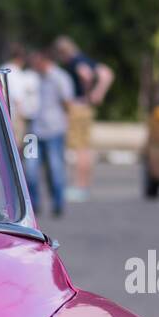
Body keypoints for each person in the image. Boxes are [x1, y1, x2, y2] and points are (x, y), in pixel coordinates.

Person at [53, 35, 113, 201]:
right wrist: (98, 93)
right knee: (85, 148)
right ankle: (84, 185)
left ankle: (78, 186)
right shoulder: (84, 58)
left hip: (78, 107)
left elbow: (85, 75)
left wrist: (87, 95)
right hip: (86, 108)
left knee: (79, 148)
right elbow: (106, 73)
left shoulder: (74, 61)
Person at [25, 48, 74, 217]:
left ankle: (58, 203)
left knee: (55, 168)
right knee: (30, 169)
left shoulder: (60, 78)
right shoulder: (32, 78)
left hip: (54, 130)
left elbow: (68, 102)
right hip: (32, 132)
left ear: (45, 62)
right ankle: (33, 204)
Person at [0, 43, 40, 143]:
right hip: (13, 113)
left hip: (0, 110)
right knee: (15, 144)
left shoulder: (3, 67)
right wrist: (21, 114)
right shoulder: (15, 72)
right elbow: (17, 95)